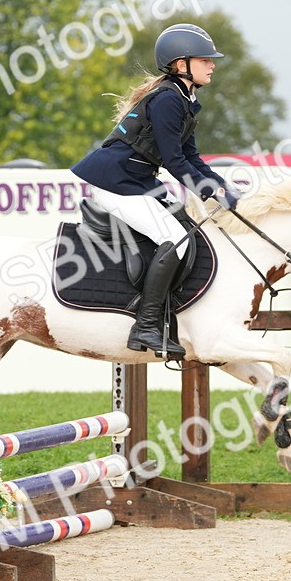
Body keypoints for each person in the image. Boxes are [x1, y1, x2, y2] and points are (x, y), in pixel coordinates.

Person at [72, 23, 240, 359]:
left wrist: (220, 185)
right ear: (181, 65)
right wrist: (208, 191)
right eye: (205, 59)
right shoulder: (167, 100)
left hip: (135, 182)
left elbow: (191, 156)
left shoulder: (183, 99)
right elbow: (176, 163)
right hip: (116, 184)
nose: (212, 64)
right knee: (175, 240)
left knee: (181, 231)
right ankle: (146, 325)